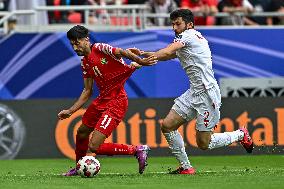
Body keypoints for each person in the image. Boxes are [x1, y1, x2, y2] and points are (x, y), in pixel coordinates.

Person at [136, 9, 253, 174]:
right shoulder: (188, 38)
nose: (174, 28)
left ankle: (240, 135)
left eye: (178, 24)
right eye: (172, 24)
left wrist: (152, 56)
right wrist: (151, 56)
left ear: (189, 24)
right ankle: (186, 167)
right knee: (167, 126)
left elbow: (169, 51)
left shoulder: (189, 34)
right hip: (194, 92)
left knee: (204, 144)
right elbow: (170, 54)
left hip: (207, 94)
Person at [58, 25, 156, 176]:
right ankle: (79, 167)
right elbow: (87, 90)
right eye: (72, 44)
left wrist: (140, 61)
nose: (74, 47)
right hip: (101, 100)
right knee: (82, 132)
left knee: (94, 146)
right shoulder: (85, 62)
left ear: (86, 39)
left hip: (117, 102)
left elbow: (122, 52)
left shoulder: (99, 48)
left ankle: (137, 150)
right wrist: (70, 111)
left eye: (77, 42)